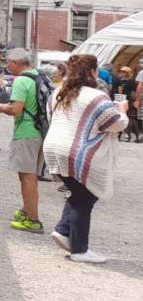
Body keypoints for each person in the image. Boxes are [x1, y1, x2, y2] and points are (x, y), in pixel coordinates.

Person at [44, 54, 129, 264]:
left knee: (79, 193)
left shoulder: (59, 92)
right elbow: (116, 124)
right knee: (86, 198)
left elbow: (49, 116)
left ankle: (64, 231)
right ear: (93, 72)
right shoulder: (96, 96)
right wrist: (123, 111)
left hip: (53, 147)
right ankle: (79, 249)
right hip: (77, 151)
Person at [0, 48, 46, 234]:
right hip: (40, 130)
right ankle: (27, 210)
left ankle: (33, 220)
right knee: (30, 175)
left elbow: (16, 109)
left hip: (26, 131)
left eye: (8, 63)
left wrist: (0, 107)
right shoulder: (39, 76)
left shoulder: (21, 81)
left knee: (27, 177)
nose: (7, 67)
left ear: (16, 63)